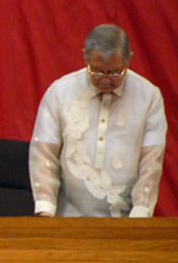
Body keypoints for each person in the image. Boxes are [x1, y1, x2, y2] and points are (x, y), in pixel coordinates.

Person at [29, 24, 167, 217]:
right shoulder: (60, 92)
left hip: (126, 221)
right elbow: (44, 154)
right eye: (96, 71)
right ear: (85, 56)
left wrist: (139, 217)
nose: (105, 80)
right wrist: (45, 209)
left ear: (129, 59)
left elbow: (151, 163)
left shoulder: (148, 97)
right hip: (66, 218)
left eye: (115, 72)